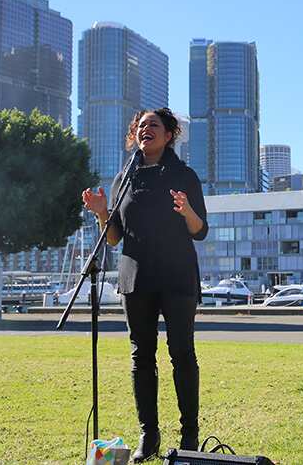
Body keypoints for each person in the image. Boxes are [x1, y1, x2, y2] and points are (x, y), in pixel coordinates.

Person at [82, 108, 208, 463]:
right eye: (140, 126)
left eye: (153, 125)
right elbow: (114, 238)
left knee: (182, 354)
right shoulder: (124, 178)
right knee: (141, 356)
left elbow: (201, 231)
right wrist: (102, 213)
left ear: (169, 135)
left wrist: (186, 212)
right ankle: (148, 435)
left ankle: (189, 436)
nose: (144, 130)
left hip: (177, 275)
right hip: (136, 277)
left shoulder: (184, 175)